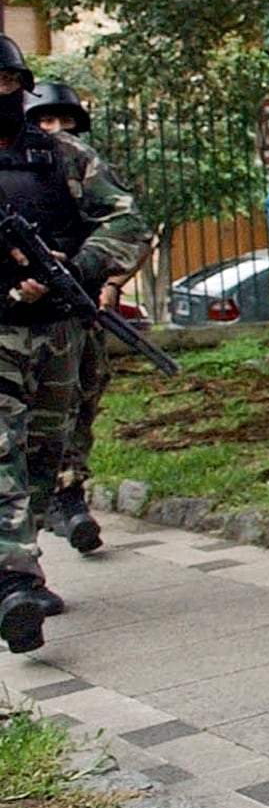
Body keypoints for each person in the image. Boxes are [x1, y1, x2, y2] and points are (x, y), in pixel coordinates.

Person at [0, 43, 147, 651]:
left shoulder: (59, 156)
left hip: (59, 329)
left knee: (45, 452)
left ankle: (23, 563)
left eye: (9, 81)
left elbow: (127, 219)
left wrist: (81, 265)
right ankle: (14, 582)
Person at [24, 81, 115, 560]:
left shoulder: (82, 165)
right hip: (22, 316)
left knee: (78, 405)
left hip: (79, 312)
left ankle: (68, 490)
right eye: (44, 121)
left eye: (63, 121)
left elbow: (123, 228)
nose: (54, 130)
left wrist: (101, 281)